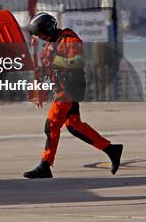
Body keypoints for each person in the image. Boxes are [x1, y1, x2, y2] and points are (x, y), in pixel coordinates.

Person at [23, 12, 123, 179]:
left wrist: (57, 61)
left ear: (48, 29)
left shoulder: (69, 38)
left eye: (40, 33)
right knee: (74, 126)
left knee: (52, 124)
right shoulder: (49, 44)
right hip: (62, 88)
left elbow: (79, 61)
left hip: (70, 89)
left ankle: (45, 165)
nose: (39, 37)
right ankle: (112, 149)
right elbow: (47, 70)